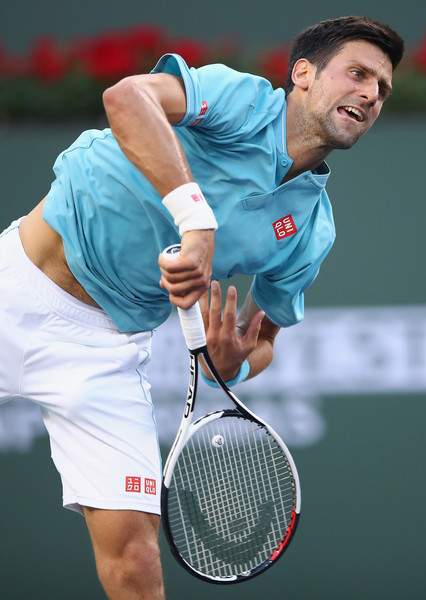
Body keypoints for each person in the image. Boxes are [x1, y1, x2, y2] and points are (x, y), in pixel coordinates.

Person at [0, 15, 403, 600]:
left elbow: (262, 342)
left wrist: (233, 362)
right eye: (358, 74)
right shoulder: (240, 101)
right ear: (304, 75)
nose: (370, 93)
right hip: (17, 285)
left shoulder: (310, 228)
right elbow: (127, 96)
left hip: (104, 354)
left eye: (382, 89)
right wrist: (195, 215)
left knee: (136, 562)